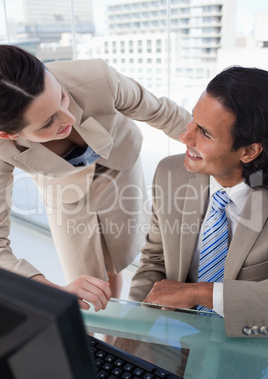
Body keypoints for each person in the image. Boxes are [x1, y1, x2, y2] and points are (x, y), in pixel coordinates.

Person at [0, 45, 191, 310]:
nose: (69, 118)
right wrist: (55, 292)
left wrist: (223, 151)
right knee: (82, 277)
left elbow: (164, 114)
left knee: (116, 259)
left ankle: (112, 332)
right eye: (47, 123)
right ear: (7, 135)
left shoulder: (96, 77)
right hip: (62, 187)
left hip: (118, 166)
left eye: (63, 97)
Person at [129, 66, 268, 337]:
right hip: (176, 336)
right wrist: (130, 325)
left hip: (252, 342)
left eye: (204, 133)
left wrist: (200, 293)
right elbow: (155, 259)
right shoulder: (171, 173)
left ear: (249, 151)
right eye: (193, 119)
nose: (185, 136)